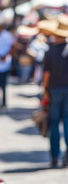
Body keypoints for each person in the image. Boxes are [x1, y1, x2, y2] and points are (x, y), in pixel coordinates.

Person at [42, 14, 68, 168]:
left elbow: (46, 75)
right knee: (67, 122)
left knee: (54, 123)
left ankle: (54, 155)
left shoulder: (51, 51)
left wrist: (45, 91)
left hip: (54, 90)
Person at [0, 12, 15, 109]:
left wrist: (6, 55)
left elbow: (13, 47)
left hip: (5, 64)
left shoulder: (7, 35)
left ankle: (4, 102)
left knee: (3, 85)